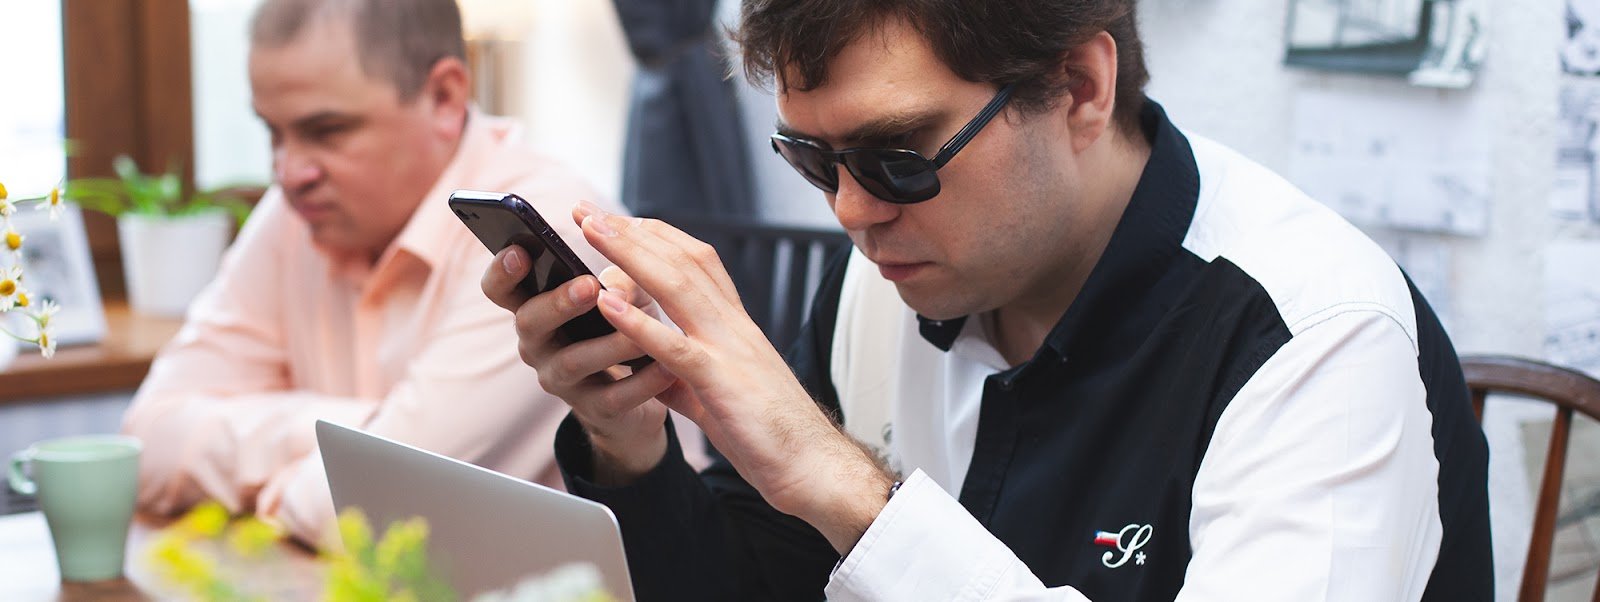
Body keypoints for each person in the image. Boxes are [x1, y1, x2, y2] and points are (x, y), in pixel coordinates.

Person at [482, 0, 1492, 599]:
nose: (852, 211)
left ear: (1081, 87)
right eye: (814, 160)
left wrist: (846, 489)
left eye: (898, 155)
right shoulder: (891, 270)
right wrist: (631, 442)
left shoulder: (1313, 337)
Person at [122, 0, 704, 547]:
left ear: (445, 97)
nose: (288, 171)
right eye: (273, 131)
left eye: (327, 131)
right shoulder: (293, 213)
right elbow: (147, 439)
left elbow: (365, 512)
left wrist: (292, 470)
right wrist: (350, 433)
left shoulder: (541, 232)